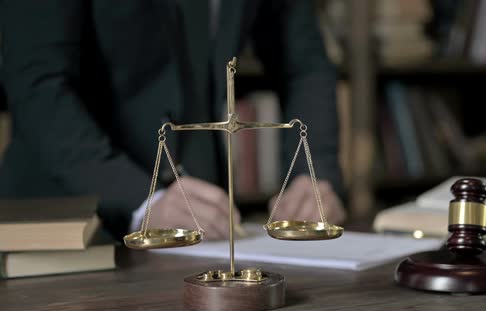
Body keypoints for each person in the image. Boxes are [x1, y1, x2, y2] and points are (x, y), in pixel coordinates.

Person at [0, 0, 345, 239]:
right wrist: (144, 200)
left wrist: (312, 175)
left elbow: (305, 67)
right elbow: (37, 84)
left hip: (203, 224)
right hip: (67, 225)